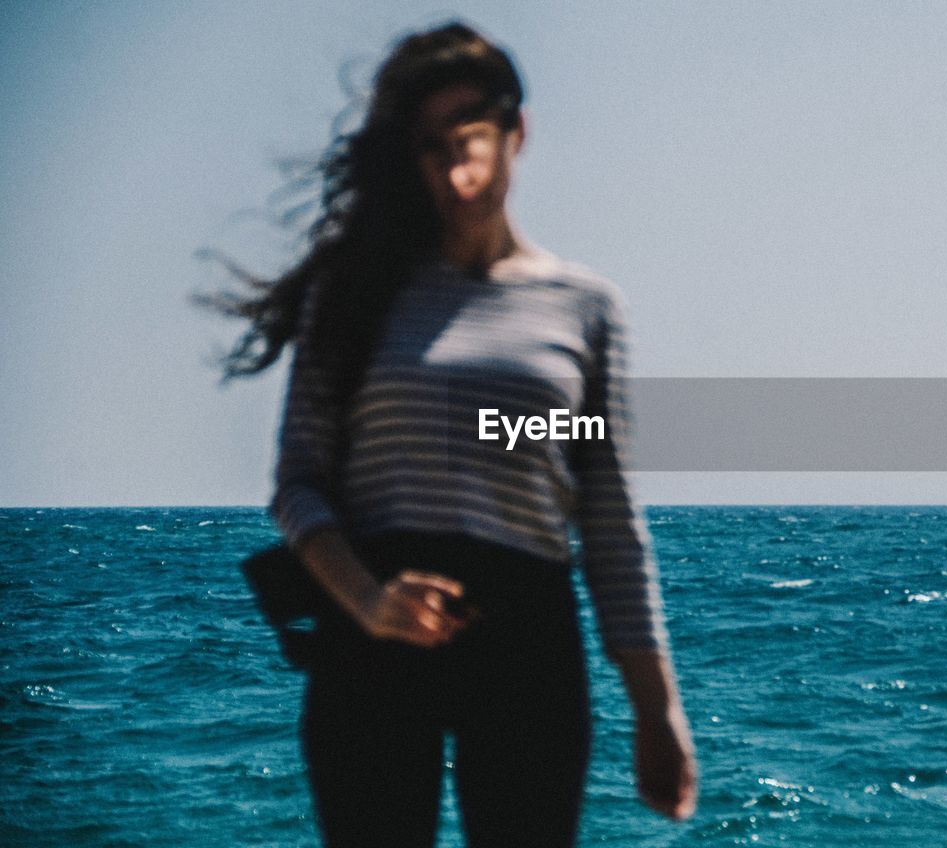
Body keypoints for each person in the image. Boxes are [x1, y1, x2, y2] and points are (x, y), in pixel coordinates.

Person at [209, 21, 697, 847]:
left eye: (470, 128)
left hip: (529, 637)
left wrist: (659, 710)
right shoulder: (356, 290)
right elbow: (298, 483)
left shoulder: (583, 307)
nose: (452, 158)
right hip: (371, 631)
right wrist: (367, 601)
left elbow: (608, 514)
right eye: (429, 141)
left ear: (517, 130)